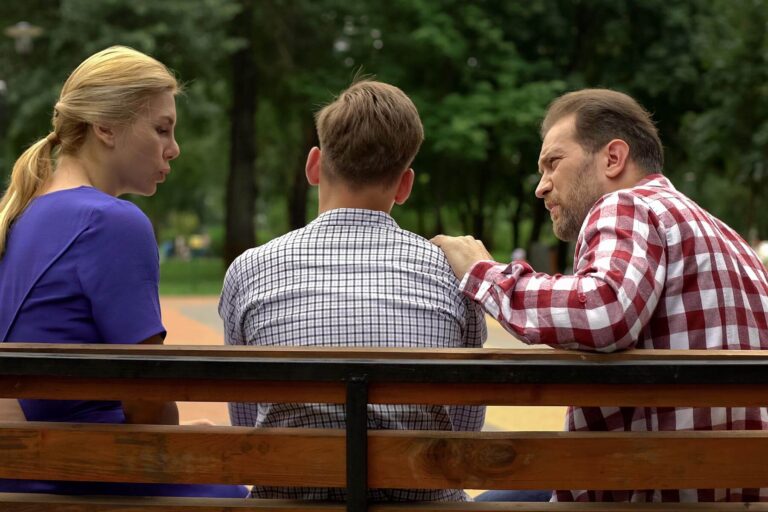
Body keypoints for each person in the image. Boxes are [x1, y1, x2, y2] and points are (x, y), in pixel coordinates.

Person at [432, 88, 768, 503]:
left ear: (613, 158)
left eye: (553, 162)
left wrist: (485, 274)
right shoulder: (729, 239)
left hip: (649, 493)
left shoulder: (627, 205)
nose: (541, 187)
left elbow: (603, 310)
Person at [220, 80, 487, 502]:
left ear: (313, 165)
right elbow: (463, 424)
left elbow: (246, 416)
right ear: (405, 185)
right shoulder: (451, 274)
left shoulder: (249, 269)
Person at [0, 46, 247, 498]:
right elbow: (148, 400)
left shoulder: (20, 215)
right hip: (88, 472)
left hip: (28, 465)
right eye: (161, 129)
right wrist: (188, 442)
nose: (174, 148)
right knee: (234, 490)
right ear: (105, 127)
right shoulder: (111, 221)